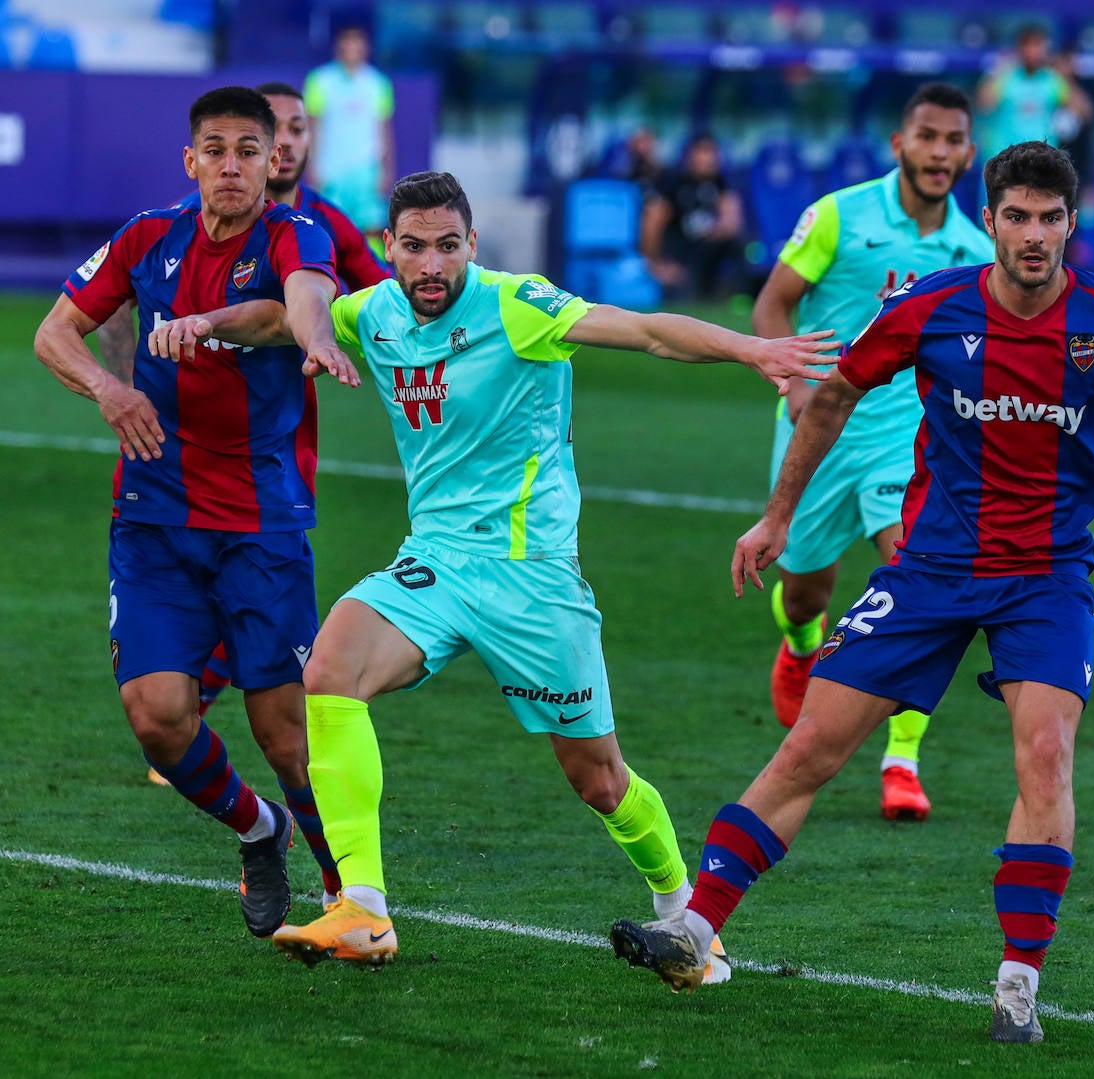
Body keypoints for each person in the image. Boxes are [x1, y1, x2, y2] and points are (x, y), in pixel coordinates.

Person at [609, 142, 1094, 1045]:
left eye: (1049, 218)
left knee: (1044, 755)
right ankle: (694, 930)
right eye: (1015, 216)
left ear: (1070, 223)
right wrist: (778, 516)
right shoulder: (932, 309)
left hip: (1046, 581)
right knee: (812, 745)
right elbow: (832, 396)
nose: (1032, 235)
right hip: (930, 571)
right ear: (989, 221)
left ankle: (1019, 981)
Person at [145, 170, 839, 969]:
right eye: (414, 247)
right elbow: (277, 317)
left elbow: (645, 329)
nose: (431, 263)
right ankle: (363, 909)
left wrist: (752, 348)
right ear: (389, 251)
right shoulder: (375, 313)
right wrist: (209, 321)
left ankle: (684, 913)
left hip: (532, 576)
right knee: (331, 667)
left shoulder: (519, 305)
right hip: (435, 564)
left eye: (447, 246)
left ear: (473, 245)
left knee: (600, 780)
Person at [33, 86, 361, 940]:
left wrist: (266, 326)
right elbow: (54, 332)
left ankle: (350, 901)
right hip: (153, 514)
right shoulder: (148, 235)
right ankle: (260, 831)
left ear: (271, 162)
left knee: (284, 732)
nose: (232, 165)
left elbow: (286, 306)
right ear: (191, 161)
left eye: (248, 150)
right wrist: (110, 389)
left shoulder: (297, 234)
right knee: (158, 716)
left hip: (262, 520)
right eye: (215, 150)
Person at [95, 81, 392, 782]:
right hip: (169, 478)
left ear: (297, 146)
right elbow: (99, 310)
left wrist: (328, 328)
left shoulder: (317, 225)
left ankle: (333, 863)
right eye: (264, 132)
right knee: (188, 647)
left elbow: (350, 297)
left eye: (289, 131)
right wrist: (124, 384)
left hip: (279, 454)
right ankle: (195, 705)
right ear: (196, 157)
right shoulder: (159, 232)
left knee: (269, 646)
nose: (279, 144)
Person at [754, 81, 994, 822]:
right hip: (824, 425)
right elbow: (773, 301)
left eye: (953, 140)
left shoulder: (974, 248)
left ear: (967, 153)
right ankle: (800, 644)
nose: (940, 152)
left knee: (916, 580)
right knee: (807, 591)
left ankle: (902, 757)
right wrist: (791, 374)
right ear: (900, 143)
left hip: (912, 438)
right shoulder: (838, 215)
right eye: (927, 136)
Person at [304, 23, 395, 247]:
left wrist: (386, 170)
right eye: (347, 45)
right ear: (338, 48)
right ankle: (331, 280)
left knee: (372, 230)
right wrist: (311, 166)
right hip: (330, 171)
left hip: (367, 172)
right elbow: (311, 127)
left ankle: (375, 278)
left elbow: (384, 130)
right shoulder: (318, 81)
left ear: (365, 49)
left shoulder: (379, 84)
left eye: (357, 45)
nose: (352, 50)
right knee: (328, 231)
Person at [640, 133, 747, 301]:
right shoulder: (673, 182)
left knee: (740, 246)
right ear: (690, 155)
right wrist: (655, 263)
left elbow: (732, 220)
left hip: (708, 247)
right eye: (702, 152)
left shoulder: (720, 182)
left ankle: (740, 299)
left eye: (711, 152)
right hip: (680, 252)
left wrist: (722, 227)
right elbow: (653, 222)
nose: (707, 159)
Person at [975, 24, 1094, 160]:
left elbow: (1084, 110)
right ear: (1019, 48)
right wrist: (997, 70)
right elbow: (983, 104)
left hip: (1040, 159)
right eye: (1027, 45)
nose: (1032, 52)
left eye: (1037, 46)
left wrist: (1066, 77)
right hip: (1003, 158)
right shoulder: (1005, 76)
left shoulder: (1051, 79)